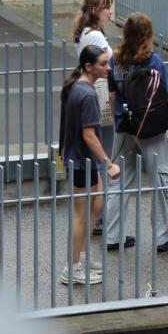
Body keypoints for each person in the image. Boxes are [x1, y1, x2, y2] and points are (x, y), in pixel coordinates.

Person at [105, 13, 168, 253]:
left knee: (119, 180)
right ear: (148, 35)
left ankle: (113, 236)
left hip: (124, 126)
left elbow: (111, 98)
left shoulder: (115, 61)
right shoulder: (153, 61)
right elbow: (166, 96)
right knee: (161, 180)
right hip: (151, 129)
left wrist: (119, 116)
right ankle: (163, 237)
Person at [58, 45, 121, 285]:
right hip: (81, 161)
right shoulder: (87, 94)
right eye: (103, 64)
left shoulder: (76, 87)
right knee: (81, 215)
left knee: (97, 202)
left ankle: (81, 257)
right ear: (88, 67)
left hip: (82, 160)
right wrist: (109, 163)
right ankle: (72, 268)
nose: (108, 68)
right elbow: (89, 135)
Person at [72, 0, 115, 235]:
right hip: (101, 96)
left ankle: (95, 214)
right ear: (95, 11)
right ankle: (99, 216)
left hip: (90, 93)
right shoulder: (97, 35)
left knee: (95, 154)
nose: (110, 12)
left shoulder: (85, 34)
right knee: (103, 155)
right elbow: (110, 59)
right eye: (105, 8)